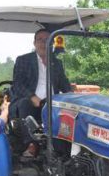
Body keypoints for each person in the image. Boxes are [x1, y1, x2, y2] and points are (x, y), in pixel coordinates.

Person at [10, 28, 71, 156]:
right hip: (31, 102)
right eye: (40, 40)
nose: (43, 43)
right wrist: (33, 97)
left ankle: (66, 150)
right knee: (25, 104)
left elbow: (65, 85)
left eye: (47, 40)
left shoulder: (57, 63)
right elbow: (18, 84)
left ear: (52, 44)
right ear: (34, 43)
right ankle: (31, 144)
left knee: (71, 113)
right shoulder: (23, 60)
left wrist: (73, 97)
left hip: (52, 103)